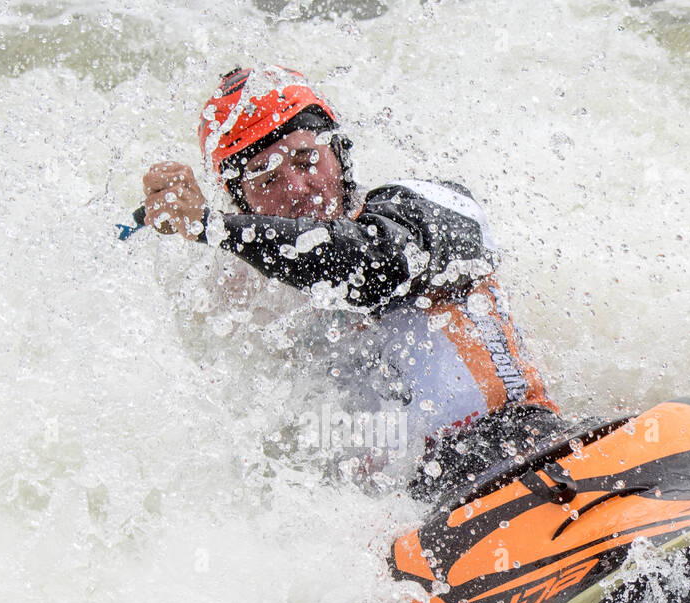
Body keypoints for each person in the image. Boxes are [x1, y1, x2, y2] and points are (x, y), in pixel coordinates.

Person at [141, 65, 567, 502]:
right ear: (243, 202)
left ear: (340, 152)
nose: (298, 187)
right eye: (267, 179)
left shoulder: (428, 207)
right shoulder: (258, 304)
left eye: (307, 160)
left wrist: (213, 227)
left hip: (526, 447)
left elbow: (374, 268)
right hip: (414, 507)